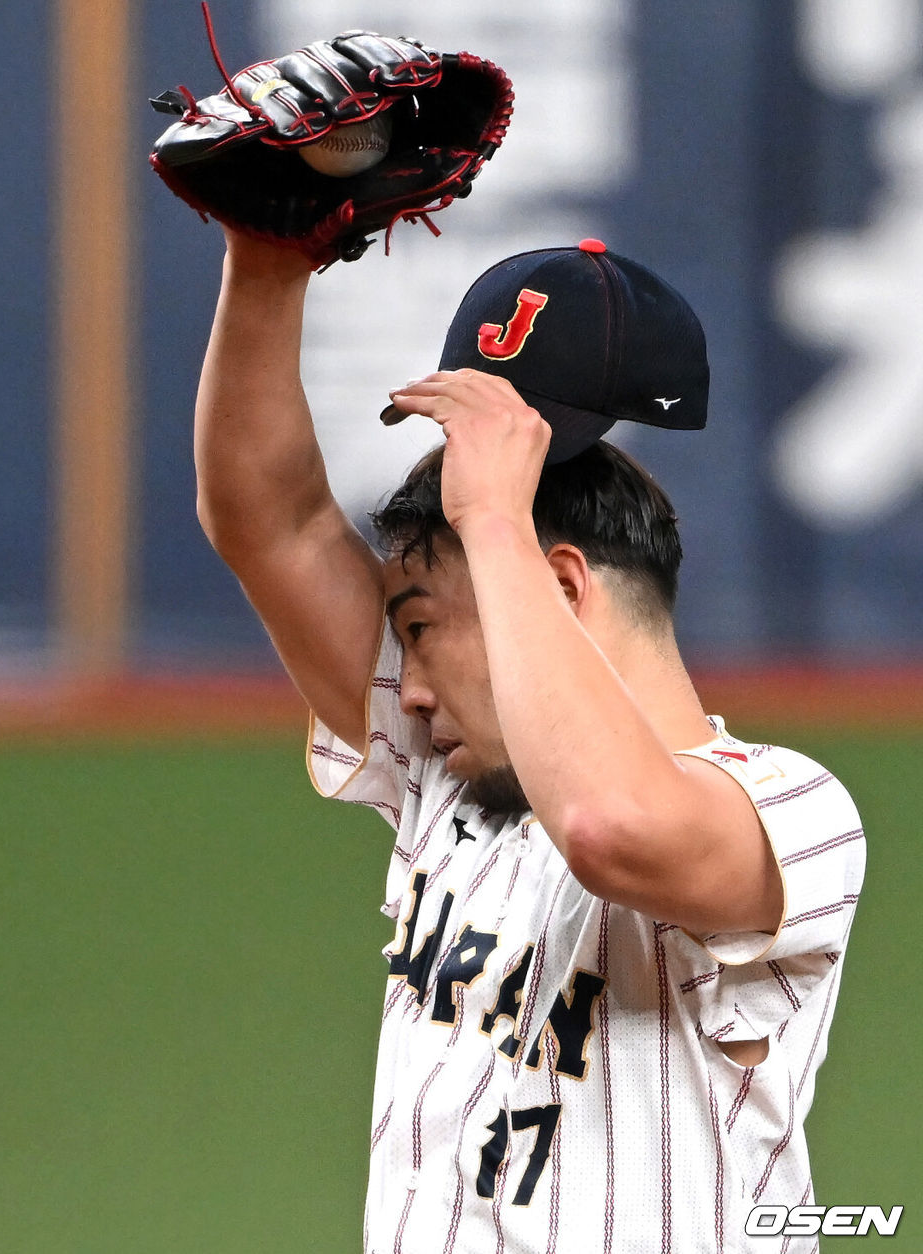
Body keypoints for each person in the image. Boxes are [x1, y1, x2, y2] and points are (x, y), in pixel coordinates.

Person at [194, 228, 865, 1252]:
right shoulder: (452, 781)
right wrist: (267, 260)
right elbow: (269, 521)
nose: (404, 690)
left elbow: (607, 825)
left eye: (418, 629)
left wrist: (494, 518)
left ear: (553, 588)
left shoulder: (789, 811)